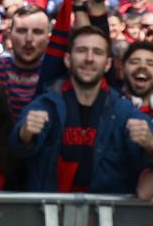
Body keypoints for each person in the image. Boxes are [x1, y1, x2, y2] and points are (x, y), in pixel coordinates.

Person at [13, 26, 153, 194]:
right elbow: (15, 152)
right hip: (48, 216)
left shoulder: (124, 111)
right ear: (67, 59)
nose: (89, 58)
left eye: (98, 52)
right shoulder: (45, 105)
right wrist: (25, 135)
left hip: (106, 218)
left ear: (108, 64)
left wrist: (149, 144)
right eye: (81, 50)